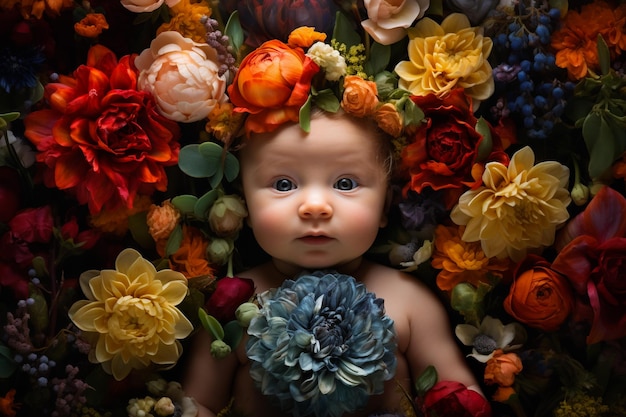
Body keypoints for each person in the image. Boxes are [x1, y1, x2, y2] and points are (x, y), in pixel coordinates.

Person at [183, 109, 485, 417]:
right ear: (243, 203)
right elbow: (197, 405)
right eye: (284, 184)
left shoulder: (410, 303)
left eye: (345, 183)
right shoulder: (230, 306)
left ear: (385, 205)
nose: (315, 206)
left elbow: (461, 398)